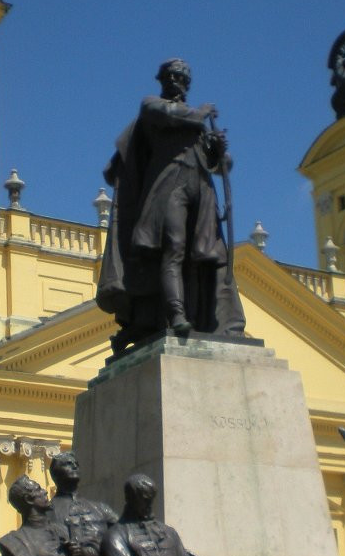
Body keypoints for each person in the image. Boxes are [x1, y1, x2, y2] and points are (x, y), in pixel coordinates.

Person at [97, 58, 245, 353]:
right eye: (172, 76)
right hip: (168, 186)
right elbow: (169, 114)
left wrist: (218, 151)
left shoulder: (197, 125)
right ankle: (176, 315)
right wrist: (200, 113)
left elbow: (221, 165)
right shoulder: (152, 106)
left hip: (201, 190)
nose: (177, 81)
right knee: (173, 248)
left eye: (182, 77)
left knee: (208, 256)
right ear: (162, 79)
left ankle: (220, 322)